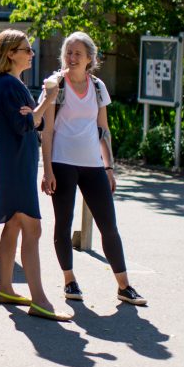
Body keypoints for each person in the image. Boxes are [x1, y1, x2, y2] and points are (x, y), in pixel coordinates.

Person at [39, 31, 147, 306]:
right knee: (63, 224)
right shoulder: (55, 85)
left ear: (90, 59)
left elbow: (103, 130)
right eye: (68, 52)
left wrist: (109, 168)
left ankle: (124, 286)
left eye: (78, 53)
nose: (72, 57)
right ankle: (69, 280)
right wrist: (47, 170)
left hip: (93, 166)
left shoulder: (97, 87)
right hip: (62, 164)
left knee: (109, 226)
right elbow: (48, 132)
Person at [0, 29, 70, 321]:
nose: (32, 54)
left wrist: (34, 110)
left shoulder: (10, 83)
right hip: (16, 166)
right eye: (27, 49)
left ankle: (6, 287)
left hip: (14, 163)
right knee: (32, 228)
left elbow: (28, 119)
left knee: (13, 226)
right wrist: (48, 99)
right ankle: (40, 301)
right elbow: (27, 124)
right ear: (11, 53)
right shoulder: (9, 85)